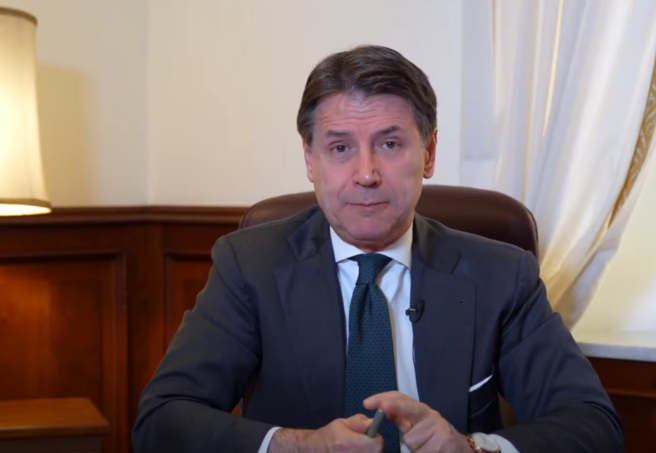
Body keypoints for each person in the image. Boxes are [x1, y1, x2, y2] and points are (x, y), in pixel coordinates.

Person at [132, 45, 624, 453]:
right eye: (340, 148)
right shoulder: (250, 267)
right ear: (310, 160)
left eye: (389, 145)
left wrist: (471, 448)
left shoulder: (500, 274)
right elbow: (162, 419)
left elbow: (593, 425)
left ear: (428, 153)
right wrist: (295, 446)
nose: (366, 174)